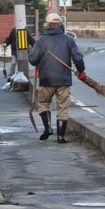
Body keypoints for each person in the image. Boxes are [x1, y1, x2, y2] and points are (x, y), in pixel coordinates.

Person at [28, 13, 86, 143]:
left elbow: (32, 59)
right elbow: (78, 58)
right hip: (64, 80)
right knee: (62, 107)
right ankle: (61, 136)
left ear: (47, 25)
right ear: (60, 24)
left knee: (43, 103)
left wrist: (37, 58)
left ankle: (48, 127)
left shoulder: (41, 41)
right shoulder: (68, 40)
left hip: (46, 80)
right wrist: (81, 70)